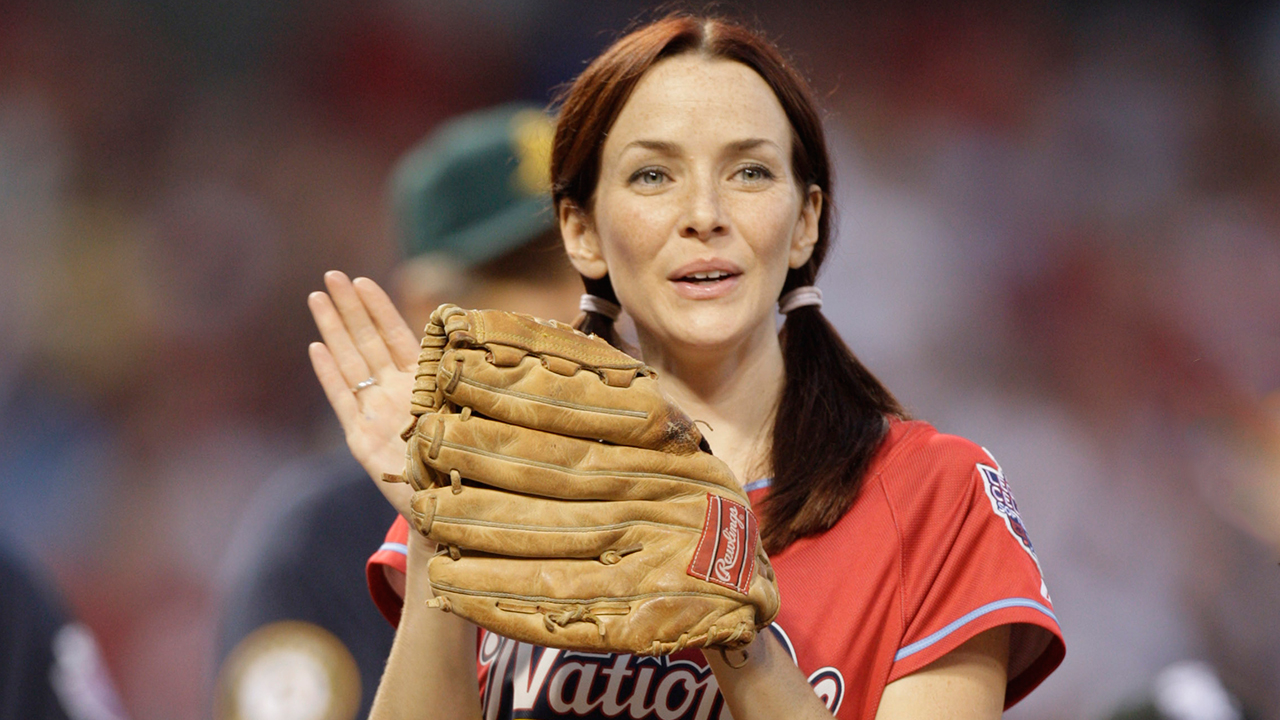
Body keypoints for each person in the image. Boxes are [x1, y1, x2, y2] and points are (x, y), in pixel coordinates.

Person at [306, 13, 1065, 720]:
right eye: (652, 176)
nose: (705, 212)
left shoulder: (933, 496)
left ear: (805, 222)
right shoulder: (500, 466)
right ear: (582, 233)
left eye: (750, 173)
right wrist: (444, 526)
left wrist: (740, 641)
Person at [214, 103, 581, 720]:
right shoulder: (320, 540)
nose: (581, 301)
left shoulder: (694, 497)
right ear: (426, 306)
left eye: (592, 260)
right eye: (533, 271)